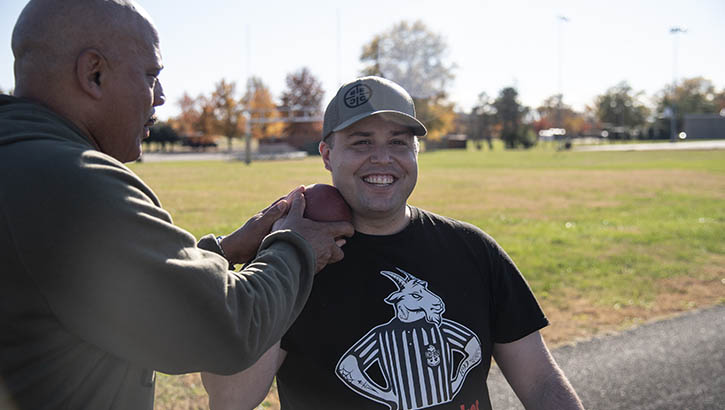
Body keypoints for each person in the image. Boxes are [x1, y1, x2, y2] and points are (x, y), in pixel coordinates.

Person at [0, 1, 353, 409]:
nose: (162, 97)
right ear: (93, 73)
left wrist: (222, 251)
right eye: (151, 75)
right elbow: (228, 328)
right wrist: (297, 247)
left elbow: (114, 294)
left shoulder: (19, 160)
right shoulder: (71, 179)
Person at [202, 76, 585, 410]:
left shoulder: (473, 250)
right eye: (361, 142)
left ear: (415, 152)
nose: (382, 158)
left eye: (398, 142)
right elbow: (231, 398)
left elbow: (541, 383)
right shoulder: (290, 264)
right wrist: (278, 257)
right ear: (326, 155)